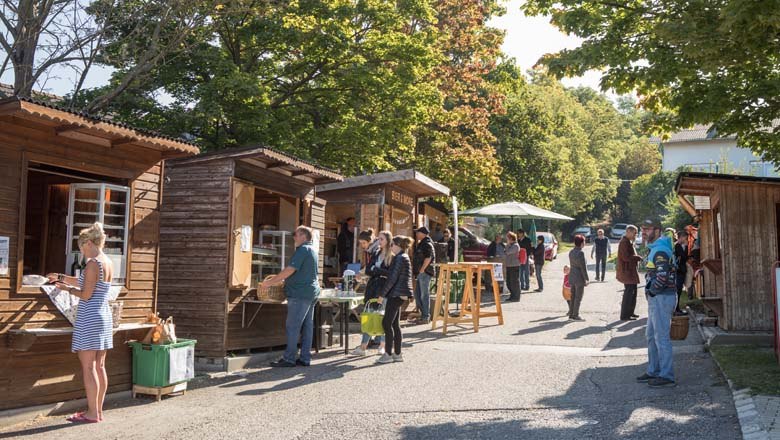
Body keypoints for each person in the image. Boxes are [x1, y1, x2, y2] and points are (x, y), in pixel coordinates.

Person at [47, 223, 114, 423]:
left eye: (83, 248)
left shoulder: (94, 263)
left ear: (91, 243)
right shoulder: (106, 262)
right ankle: (98, 411)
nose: (82, 252)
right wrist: (61, 278)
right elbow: (86, 282)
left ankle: (92, 413)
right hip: (103, 316)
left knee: (88, 367)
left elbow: (85, 294)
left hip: (90, 316)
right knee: (100, 366)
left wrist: (66, 290)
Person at [263, 226, 321, 368]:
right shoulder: (312, 250)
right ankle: (305, 358)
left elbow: (290, 270)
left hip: (299, 293)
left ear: (303, 236)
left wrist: (269, 282)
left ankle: (289, 358)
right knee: (307, 326)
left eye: (295, 234)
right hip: (311, 292)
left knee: (293, 326)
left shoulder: (302, 250)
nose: (294, 237)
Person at [637, 219, 678, 388]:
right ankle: (653, 371)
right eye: (643, 229)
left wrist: (652, 291)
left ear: (658, 231)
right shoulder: (656, 248)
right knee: (651, 336)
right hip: (657, 298)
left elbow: (662, 276)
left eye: (648, 229)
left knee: (661, 338)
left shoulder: (660, 250)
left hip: (662, 297)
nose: (644, 232)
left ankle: (667, 376)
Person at [351, 230, 392, 356]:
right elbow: (369, 269)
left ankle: (382, 346)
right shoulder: (376, 253)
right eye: (378, 239)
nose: (378, 242)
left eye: (381, 239)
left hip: (384, 290)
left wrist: (376, 270)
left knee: (383, 318)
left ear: (388, 241)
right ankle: (363, 347)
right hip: (372, 288)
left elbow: (389, 274)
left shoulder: (392, 255)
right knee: (369, 316)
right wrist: (375, 271)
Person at [376, 235, 414, 364]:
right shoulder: (405, 257)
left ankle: (388, 354)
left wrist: (382, 295)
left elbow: (392, 279)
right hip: (402, 294)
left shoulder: (399, 258)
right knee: (395, 325)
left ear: (397, 245)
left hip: (396, 294)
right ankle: (397, 354)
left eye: (391, 244)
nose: (390, 247)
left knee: (386, 323)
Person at [617, 225, 642, 321]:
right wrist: (637, 257)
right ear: (629, 232)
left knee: (633, 292)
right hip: (627, 271)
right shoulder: (624, 242)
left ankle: (631, 312)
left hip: (630, 271)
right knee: (628, 293)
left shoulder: (628, 242)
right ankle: (625, 315)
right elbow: (625, 258)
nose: (635, 235)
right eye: (634, 233)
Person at [411, 226, 435, 324]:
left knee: (424, 295)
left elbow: (428, 258)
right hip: (420, 273)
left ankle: (425, 317)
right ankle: (422, 315)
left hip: (425, 273)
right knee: (418, 295)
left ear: (423, 233)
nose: (416, 234)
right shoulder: (422, 243)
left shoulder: (427, 244)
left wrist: (422, 270)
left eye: (418, 232)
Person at [568, 234, 589, 321]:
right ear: (581, 243)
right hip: (579, 277)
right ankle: (575, 315)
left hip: (572, 275)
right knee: (578, 297)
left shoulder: (571, 252)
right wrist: (586, 278)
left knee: (573, 296)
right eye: (584, 241)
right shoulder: (581, 253)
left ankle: (571, 314)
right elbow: (583, 267)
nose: (584, 243)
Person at [674, 230, 689, 315]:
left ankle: (677, 308)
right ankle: (676, 309)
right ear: (682, 237)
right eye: (685, 238)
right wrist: (686, 247)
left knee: (678, 290)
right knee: (678, 290)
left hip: (679, 270)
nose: (686, 239)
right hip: (679, 271)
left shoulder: (678, 245)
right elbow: (684, 257)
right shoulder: (678, 246)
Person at [504, 232, 521, 302]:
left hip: (514, 265)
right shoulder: (510, 245)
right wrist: (507, 245)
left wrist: (507, 245)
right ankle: (512, 295)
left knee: (514, 282)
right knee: (509, 282)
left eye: (507, 238)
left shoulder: (516, 246)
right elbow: (505, 251)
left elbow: (507, 252)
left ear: (511, 238)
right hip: (509, 265)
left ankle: (516, 297)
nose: (506, 239)